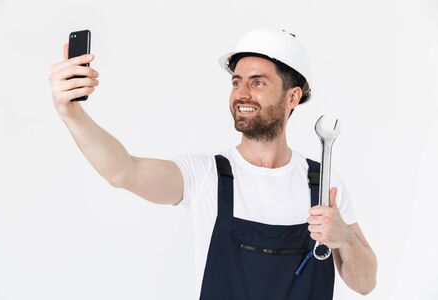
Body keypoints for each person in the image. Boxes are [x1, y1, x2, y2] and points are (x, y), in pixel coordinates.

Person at [48, 28, 377, 299]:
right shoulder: (206, 175)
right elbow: (123, 171)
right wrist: (71, 113)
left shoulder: (322, 185)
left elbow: (365, 282)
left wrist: (345, 237)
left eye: (258, 82)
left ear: (292, 97)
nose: (242, 93)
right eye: (237, 82)